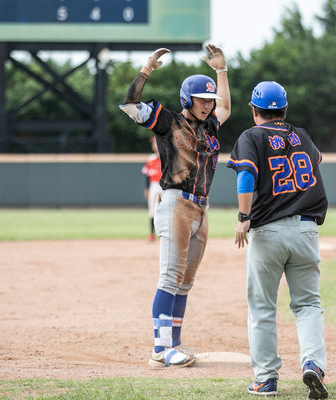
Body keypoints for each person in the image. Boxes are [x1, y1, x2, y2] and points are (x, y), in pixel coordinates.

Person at [119, 44, 231, 367]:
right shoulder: (167, 121)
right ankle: (160, 348)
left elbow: (226, 107)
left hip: (201, 208)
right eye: (202, 100)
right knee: (170, 277)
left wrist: (220, 70)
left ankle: (175, 343)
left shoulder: (210, 126)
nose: (208, 105)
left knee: (186, 281)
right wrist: (145, 70)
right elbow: (129, 105)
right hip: (175, 203)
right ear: (187, 100)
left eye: (209, 100)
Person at [228, 81, 329, 399]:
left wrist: (244, 218)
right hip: (306, 229)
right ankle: (313, 363)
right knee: (308, 304)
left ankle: (266, 379)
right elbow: (317, 159)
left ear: (255, 110)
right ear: (284, 110)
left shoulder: (251, 136)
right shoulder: (302, 136)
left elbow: (246, 175)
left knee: (262, 307)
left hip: (268, 231)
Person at [141, 135, 163, 242]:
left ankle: (166, 234)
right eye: (153, 143)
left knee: (167, 211)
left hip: (165, 186)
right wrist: (146, 189)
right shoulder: (151, 159)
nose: (154, 145)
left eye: (155, 142)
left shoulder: (167, 156)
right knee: (152, 210)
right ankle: (151, 234)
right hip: (154, 185)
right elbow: (146, 175)